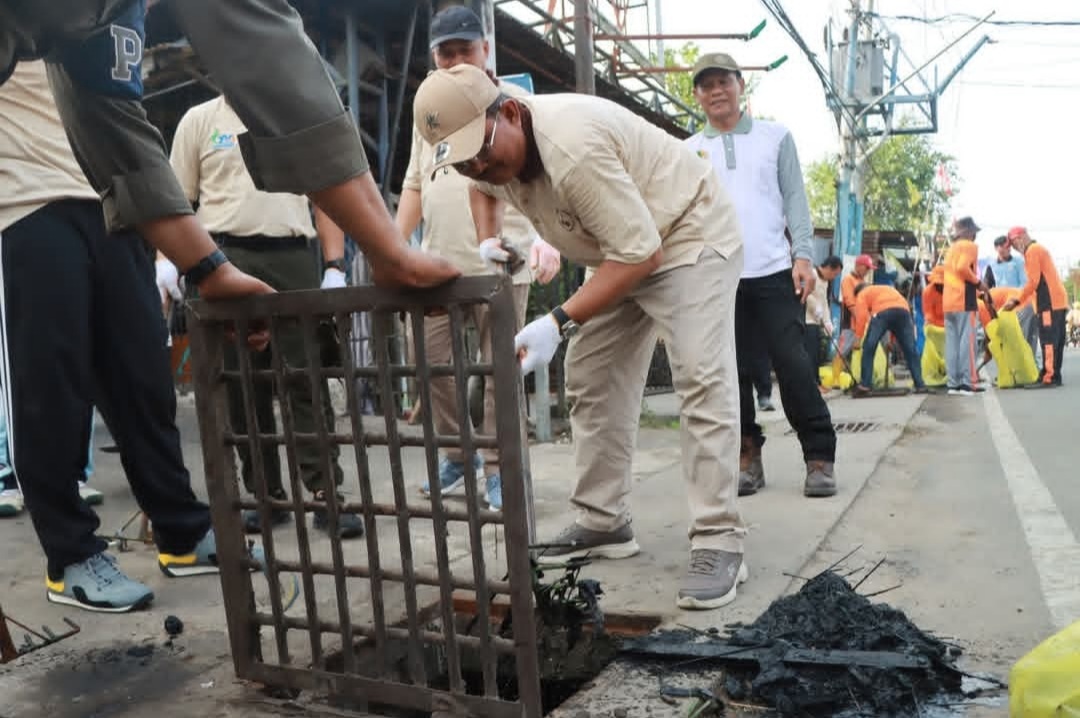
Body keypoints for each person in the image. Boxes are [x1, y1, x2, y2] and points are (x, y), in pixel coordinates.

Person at [413, 63, 747, 610]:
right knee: (591, 371)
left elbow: (644, 254)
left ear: (512, 112)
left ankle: (719, 538)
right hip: (620, 245)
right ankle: (603, 520)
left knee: (701, 375)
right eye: (467, 158)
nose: (480, 166)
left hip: (687, 232)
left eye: (484, 153)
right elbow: (480, 188)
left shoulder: (572, 148)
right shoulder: (481, 145)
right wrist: (487, 239)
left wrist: (557, 321)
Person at [0, 0, 461, 324]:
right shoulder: (200, 120)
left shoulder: (111, 19)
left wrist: (207, 270)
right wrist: (389, 252)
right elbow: (265, 47)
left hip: (289, 254)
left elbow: (104, 113)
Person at [0, 60, 261, 613]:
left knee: (144, 379)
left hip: (114, 203)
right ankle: (69, 554)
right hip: (24, 202)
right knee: (52, 387)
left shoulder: (111, 19)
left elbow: (129, 122)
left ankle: (181, 534)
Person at [170, 94, 364, 538]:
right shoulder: (199, 120)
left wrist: (333, 266)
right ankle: (266, 495)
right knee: (240, 384)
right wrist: (171, 262)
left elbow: (326, 195)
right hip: (222, 253)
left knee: (305, 375)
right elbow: (177, 200)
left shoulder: (290, 112)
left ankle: (324, 492)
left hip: (291, 253)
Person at [395, 5, 561, 511]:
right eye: (446, 53)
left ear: (484, 50)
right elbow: (414, 184)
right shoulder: (430, 112)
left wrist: (545, 237)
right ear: (434, 58)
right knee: (431, 364)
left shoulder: (515, 104)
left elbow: (546, 177)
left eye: (464, 49)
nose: (455, 60)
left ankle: (498, 469)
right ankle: (457, 454)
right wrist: (395, 248)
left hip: (499, 260)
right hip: (436, 263)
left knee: (498, 371)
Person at [685, 53, 837, 499]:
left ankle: (819, 457)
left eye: (723, 81)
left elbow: (796, 201)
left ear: (740, 84)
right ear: (697, 95)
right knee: (729, 376)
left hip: (773, 272)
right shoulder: (688, 150)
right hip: (717, 277)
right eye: (706, 84)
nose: (716, 90)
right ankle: (746, 458)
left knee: (793, 366)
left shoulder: (776, 137)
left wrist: (804, 257)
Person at [1003, 226, 1067, 387]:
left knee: (1048, 340)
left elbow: (1033, 282)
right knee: (1055, 340)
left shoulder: (1032, 251)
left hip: (1048, 302)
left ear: (1022, 237)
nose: (1015, 248)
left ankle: (1049, 376)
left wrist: (1016, 300)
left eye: (1014, 243)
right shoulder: (1038, 249)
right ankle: (1053, 374)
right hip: (1057, 301)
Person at [850, 284, 927, 396]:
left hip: (882, 312)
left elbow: (861, 317)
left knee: (869, 347)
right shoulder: (885, 289)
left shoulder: (862, 294)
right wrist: (890, 341)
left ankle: (865, 384)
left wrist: (857, 338)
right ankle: (920, 384)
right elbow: (893, 320)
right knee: (910, 349)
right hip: (903, 311)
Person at [942, 217, 985, 395]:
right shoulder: (969, 246)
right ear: (968, 232)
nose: (975, 236)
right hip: (964, 299)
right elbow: (962, 268)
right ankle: (967, 383)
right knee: (967, 342)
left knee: (952, 344)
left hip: (949, 301)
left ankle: (953, 384)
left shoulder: (951, 249)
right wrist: (978, 283)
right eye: (974, 232)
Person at [807, 256, 842, 387]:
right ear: (828, 267)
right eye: (835, 273)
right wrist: (815, 307)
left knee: (817, 353)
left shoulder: (825, 281)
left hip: (817, 321)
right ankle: (811, 382)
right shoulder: (813, 275)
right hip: (807, 320)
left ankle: (815, 381)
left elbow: (825, 302)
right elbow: (807, 294)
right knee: (810, 353)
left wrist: (827, 321)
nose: (834, 277)